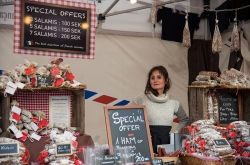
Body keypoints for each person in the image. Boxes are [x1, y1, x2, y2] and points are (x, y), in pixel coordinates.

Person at [130, 65, 189, 154]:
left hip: (167, 143)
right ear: (149, 81)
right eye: (152, 78)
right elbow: (126, 114)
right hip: (146, 143)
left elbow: (184, 119)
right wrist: (140, 133)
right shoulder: (141, 99)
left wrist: (176, 134)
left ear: (166, 80)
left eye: (159, 77)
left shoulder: (173, 100)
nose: (155, 80)